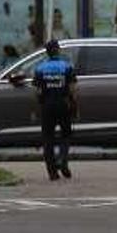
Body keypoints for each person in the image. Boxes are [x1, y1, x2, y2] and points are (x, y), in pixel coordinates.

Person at [33, 40, 77, 181]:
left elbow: (38, 91)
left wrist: (38, 106)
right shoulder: (66, 66)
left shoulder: (40, 68)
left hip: (47, 105)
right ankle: (63, 160)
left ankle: (52, 171)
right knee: (65, 135)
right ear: (58, 50)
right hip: (63, 104)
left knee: (48, 138)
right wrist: (74, 105)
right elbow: (72, 89)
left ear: (47, 52)